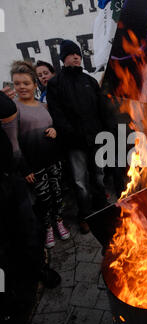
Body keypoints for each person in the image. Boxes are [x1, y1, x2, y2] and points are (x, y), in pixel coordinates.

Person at [2, 61, 69, 249]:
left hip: (53, 162)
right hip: (34, 166)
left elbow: (52, 128)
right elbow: (13, 143)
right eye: (17, 83)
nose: (21, 87)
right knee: (43, 199)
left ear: (34, 84)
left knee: (57, 195)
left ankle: (59, 221)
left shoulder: (43, 106)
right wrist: (24, 169)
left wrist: (55, 131)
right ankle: (48, 228)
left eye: (26, 83)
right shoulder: (13, 110)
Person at [47, 40, 108, 234]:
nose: (76, 57)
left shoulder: (89, 81)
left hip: (96, 140)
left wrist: (104, 132)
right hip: (74, 144)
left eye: (78, 54)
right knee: (80, 183)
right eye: (71, 54)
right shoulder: (55, 84)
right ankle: (86, 216)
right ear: (63, 58)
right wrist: (75, 135)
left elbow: (101, 110)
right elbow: (57, 116)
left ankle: (103, 209)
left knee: (99, 177)